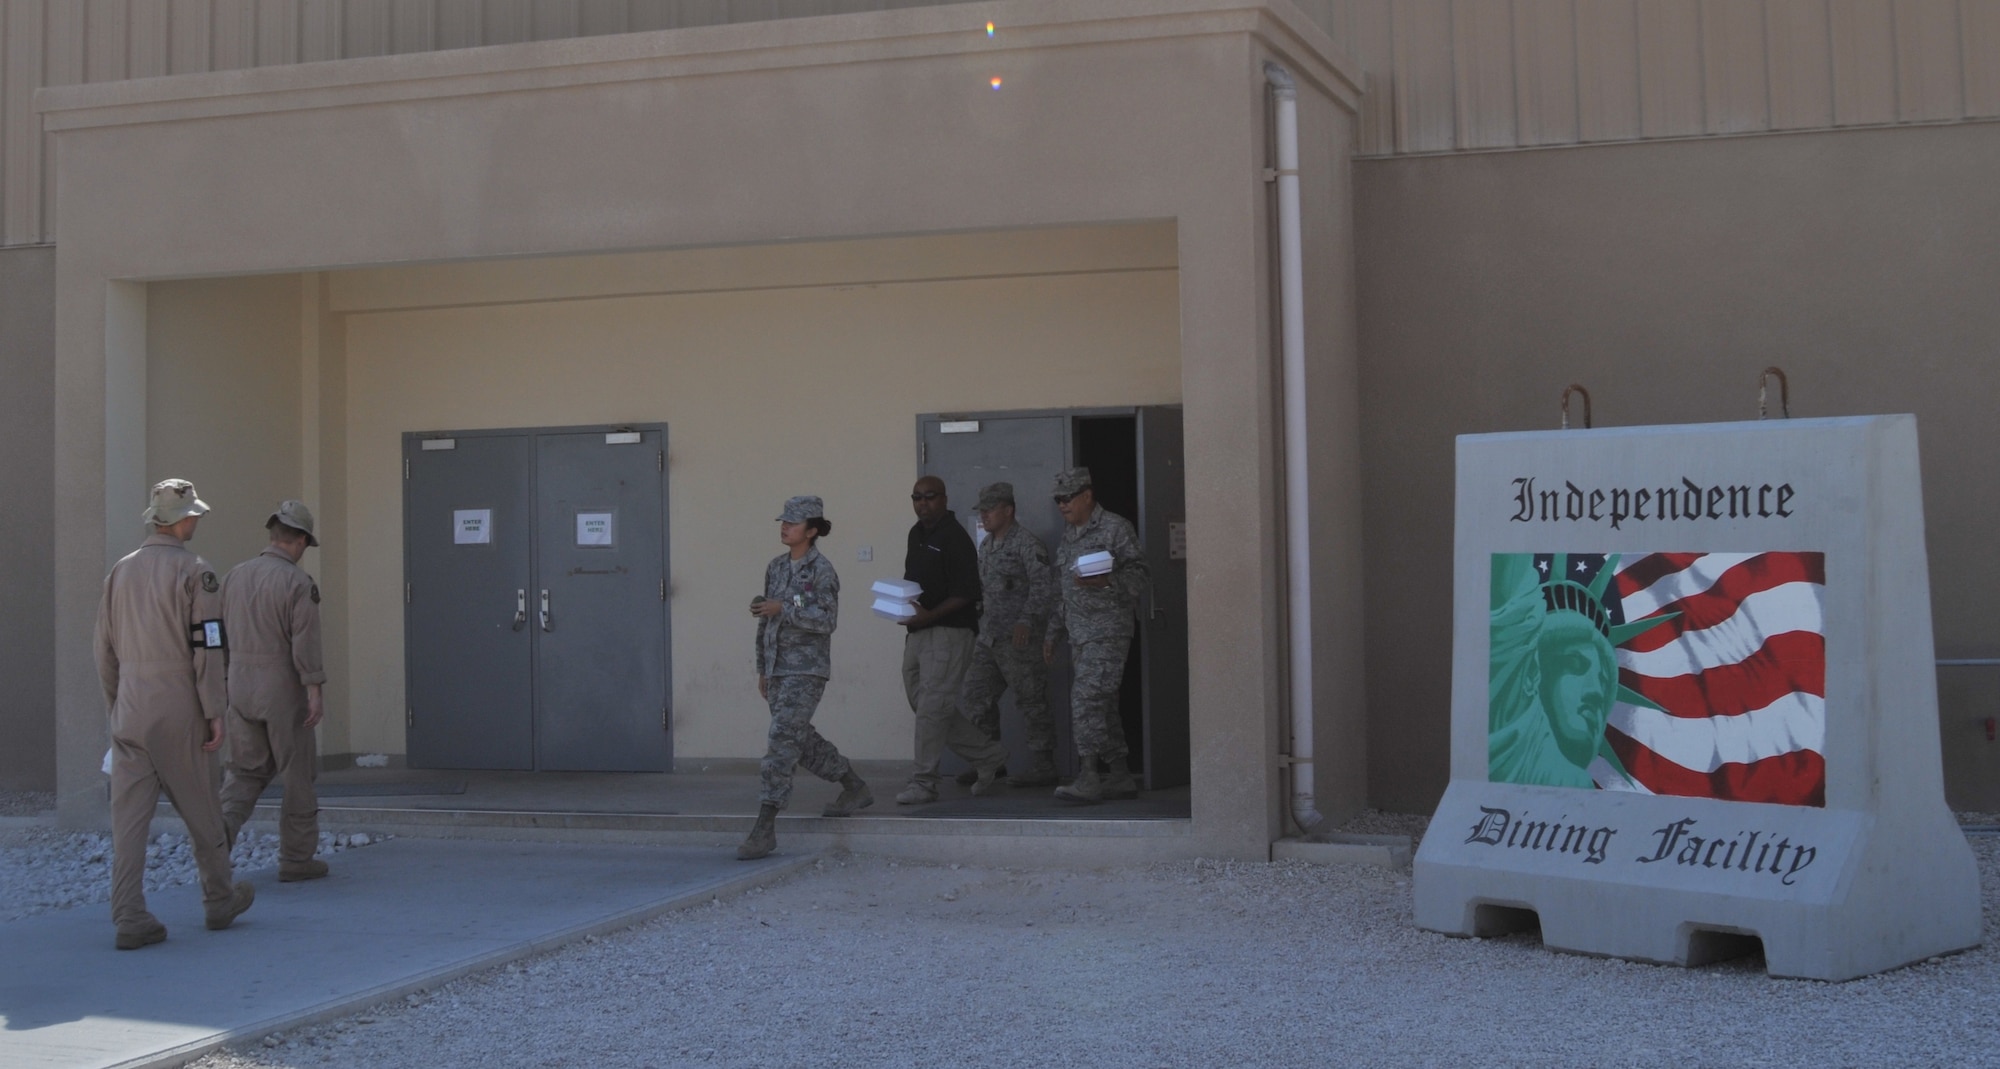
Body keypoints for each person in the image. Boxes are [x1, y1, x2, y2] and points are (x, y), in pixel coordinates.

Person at [94, 479, 255, 949]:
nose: (197, 520)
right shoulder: (196, 572)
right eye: (194, 514)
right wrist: (214, 709)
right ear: (181, 519)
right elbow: (208, 646)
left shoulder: (119, 572)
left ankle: (129, 914)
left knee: (127, 820)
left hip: (130, 706)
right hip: (179, 704)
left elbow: (103, 649)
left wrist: (117, 705)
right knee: (202, 807)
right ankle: (219, 897)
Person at [740, 496, 872, 860]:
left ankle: (765, 827)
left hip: (806, 669)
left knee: (782, 742)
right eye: (783, 521)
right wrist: (763, 667)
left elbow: (826, 618)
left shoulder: (821, 570)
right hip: (779, 668)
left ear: (812, 531)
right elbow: (766, 619)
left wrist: (787, 606)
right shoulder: (775, 567)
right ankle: (853, 785)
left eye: (794, 523)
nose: (785, 527)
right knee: (798, 738)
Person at [217, 501, 331, 881]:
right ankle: (297, 858)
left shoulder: (235, 575)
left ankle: (215, 847)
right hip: (281, 687)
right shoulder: (298, 583)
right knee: (297, 772)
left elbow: (220, 636)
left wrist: (224, 681)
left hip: (240, 684)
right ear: (299, 540)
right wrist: (313, 689)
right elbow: (305, 644)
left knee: (244, 772)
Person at [895, 475, 1008, 805]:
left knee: (933, 707)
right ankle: (989, 756)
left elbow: (967, 593)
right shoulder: (916, 534)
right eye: (916, 497)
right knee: (926, 704)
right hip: (917, 632)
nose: (923, 503)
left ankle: (924, 782)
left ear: (944, 498)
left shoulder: (955, 537)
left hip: (949, 631)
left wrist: (928, 616)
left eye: (929, 497)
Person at [1044, 468, 1150, 804]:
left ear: (1087, 496)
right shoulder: (1069, 535)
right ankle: (1119, 774)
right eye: (1057, 500)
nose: (1062, 505)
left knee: (1086, 699)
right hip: (1080, 635)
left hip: (1108, 632)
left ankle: (1089, 776)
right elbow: (1063, 591)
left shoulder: (1115, 528)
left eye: (1067, 498)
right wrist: (1052, 634)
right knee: (1103, 706)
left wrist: (1107, 582)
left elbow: (1140, 574)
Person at [956, 482, 1060, 788]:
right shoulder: (987, 545)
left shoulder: (1028, 544)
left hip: (1020, 642)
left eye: (989, 510)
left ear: (1008, 510)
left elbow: (1044, 587)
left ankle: (1044, 765)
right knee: (977, 696)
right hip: (990, 639)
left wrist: (1027, 620)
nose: (984, 516)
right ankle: (989, 761)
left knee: (1031, 701)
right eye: (982, 511)